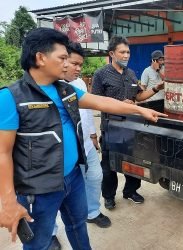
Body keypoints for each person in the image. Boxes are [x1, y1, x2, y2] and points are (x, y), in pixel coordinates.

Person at [0, 27, 165, 249]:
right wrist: (8, 201)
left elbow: (100, 101)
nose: (68, 65)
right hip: (38, 189)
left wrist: (140, 110)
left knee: (78, 226)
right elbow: (3, 153)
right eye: (62, 58)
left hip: (73, 178)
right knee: (39, 242)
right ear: (40, 58)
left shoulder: (65, 90)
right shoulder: (10, 97)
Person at [49, 41, 112, 249]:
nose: (78, 69)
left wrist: (93, 136)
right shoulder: (43, 90)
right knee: (51, 200)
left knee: (94, 177)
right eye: (74, 63)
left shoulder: (79, 85)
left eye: (80, 65)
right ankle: (50, 233)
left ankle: (92, 212)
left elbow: (87, 114)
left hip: (84, 145)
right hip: (54, 157)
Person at [92, 36, 164, 209]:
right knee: (109, 167)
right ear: (112, 53)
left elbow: (138, 96)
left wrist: (156, 88)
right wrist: (120, 104)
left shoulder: (131, 74)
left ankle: (130, 191)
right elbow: (95, 101)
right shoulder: (101, 74)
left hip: (132, 128)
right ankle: (109, 196)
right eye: (122, 52)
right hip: (112, 128)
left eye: (128, 52)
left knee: (134, 162)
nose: (126, 55)